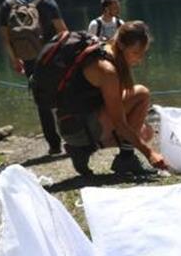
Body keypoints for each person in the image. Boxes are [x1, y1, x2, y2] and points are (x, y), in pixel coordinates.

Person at [58, 20, 168, 177]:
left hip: (76, 122)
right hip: (75, 127)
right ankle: (126, 159)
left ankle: (83, 150)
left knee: (145, 132)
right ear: (122, 45)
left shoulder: (110, 51)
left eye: (143, 53)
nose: (140, 59)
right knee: (141, 93)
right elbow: (120, 124)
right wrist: (150, 153)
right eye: (136, 53)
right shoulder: (107, 70)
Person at [0, 0, 68, 155]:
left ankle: (54, 145)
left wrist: (14, 59)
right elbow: (63, 32)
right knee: (64, 97)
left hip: (29, 58)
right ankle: (73, 138)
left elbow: (5, 38)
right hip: (52, 56)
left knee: (42, 101)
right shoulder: (45, 1)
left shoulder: (7, 4)